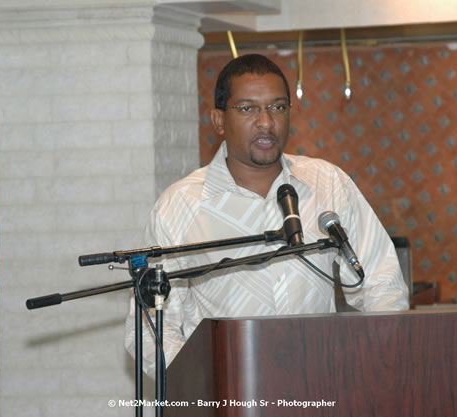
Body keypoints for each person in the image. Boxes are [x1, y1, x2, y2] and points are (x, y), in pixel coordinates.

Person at [124, 54, 408, 377]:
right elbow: (150, 329)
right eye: (248, 109)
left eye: (278, 107)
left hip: (323, 391)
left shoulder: (327, 184)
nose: (266, 122)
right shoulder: (180, 207)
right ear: (218, 120)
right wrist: (207, 386)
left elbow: (382, 285)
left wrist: (371, 367)